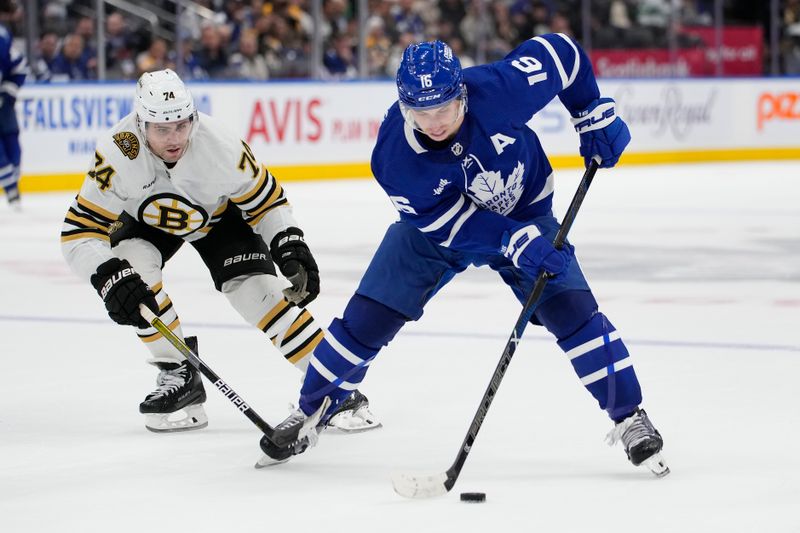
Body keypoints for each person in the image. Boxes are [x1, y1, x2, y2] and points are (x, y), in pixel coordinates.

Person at [258, 34, 669, 477]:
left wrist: (590, 112)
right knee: (368, 318)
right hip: (436, 234)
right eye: (421, 112)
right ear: (403, 106)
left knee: (573, 311)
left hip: (526, 210)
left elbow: (564, 55)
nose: (434, 123)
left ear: (462, 95)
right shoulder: (394, 158)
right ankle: (311, 409)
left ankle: (629, 416)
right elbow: (454, 228)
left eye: (444, 109)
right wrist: (512, 242)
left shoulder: (502, 87)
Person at [60, 69, 379, 435]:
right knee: (132, 273)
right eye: (162, 129)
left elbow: (268, 201)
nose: (174, 137)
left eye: (182, 125)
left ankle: (331, 380)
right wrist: (107, 277)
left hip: (219, 217)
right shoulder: (117, 154)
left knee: (257, 294)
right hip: (144, 220)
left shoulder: (221, 146)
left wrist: (289, 241)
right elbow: (78, 234)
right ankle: (179, 373)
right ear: (140, 122)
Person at [0, 0, 27, 210]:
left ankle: (12, 189)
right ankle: (12, 191)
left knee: (12, 142)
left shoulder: (4, 36)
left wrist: (7, 96)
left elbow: (18, 67)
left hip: (3, 104)